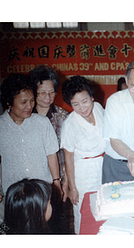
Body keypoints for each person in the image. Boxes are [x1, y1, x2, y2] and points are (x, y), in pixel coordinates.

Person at [0, 73, 62, 204]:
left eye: (32, 100)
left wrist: (56, 182)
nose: (29, 106)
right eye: (23, 102)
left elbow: (51, 155)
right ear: (9, 102)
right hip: (13, 194)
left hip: (42, 190)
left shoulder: (42, 122)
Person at [61, 75, 106, 234]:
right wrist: (72, 188)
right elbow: (68, 157)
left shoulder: (99, 108)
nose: (82, 108)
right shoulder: (69, 124)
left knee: (104, 208)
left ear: (92, 97)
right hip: (83, 173)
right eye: (75, 104)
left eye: (85, 101)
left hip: (104, 166)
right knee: (84, 212)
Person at [29, 65, 70, 233]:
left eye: (52, 92)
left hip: (56, 184)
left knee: (58, 227)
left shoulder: (63, 117)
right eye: (42, 93)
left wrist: (66, 182)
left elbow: (69, 153)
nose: (48, 97)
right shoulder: (24, 116)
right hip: (31, 183)